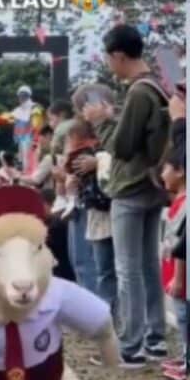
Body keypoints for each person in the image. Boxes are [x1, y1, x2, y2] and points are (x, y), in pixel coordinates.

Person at [103, 24, 172, 365]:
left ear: (118, 55)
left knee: (127, 269)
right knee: (148, 266)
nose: (109, 64)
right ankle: (155, 338)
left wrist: (101, 122)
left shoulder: (138, 93)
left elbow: (123, 146)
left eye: (109, 57)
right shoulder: (158, 86)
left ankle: (130, 346)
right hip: (152, 188)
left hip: (129, 188)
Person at [71, 83, 118, 311]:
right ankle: (106, 314)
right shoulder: (80, 134)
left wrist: (97, 161)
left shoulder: (116, 125)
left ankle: (120, 315)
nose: (84, 113)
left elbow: (124, 155)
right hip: (95, 209)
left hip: (117, 204)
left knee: (121, 269)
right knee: (103, 268)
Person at [62, 121, 100, 294]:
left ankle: (91, 302)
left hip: (90, 207)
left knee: (86, 262)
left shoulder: (94, 154)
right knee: (78, 260)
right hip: (78, 203)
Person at [159, 147, 187, 375]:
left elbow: (183, 245)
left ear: (180, 171)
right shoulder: (178, 202)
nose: (162, 174)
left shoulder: (187, 205)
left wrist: (178, 278)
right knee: (181, 318)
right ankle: (184, 358)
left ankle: (188, 364)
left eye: (166, 169)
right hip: (173, 274)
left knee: (185, 320)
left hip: (181, 277)